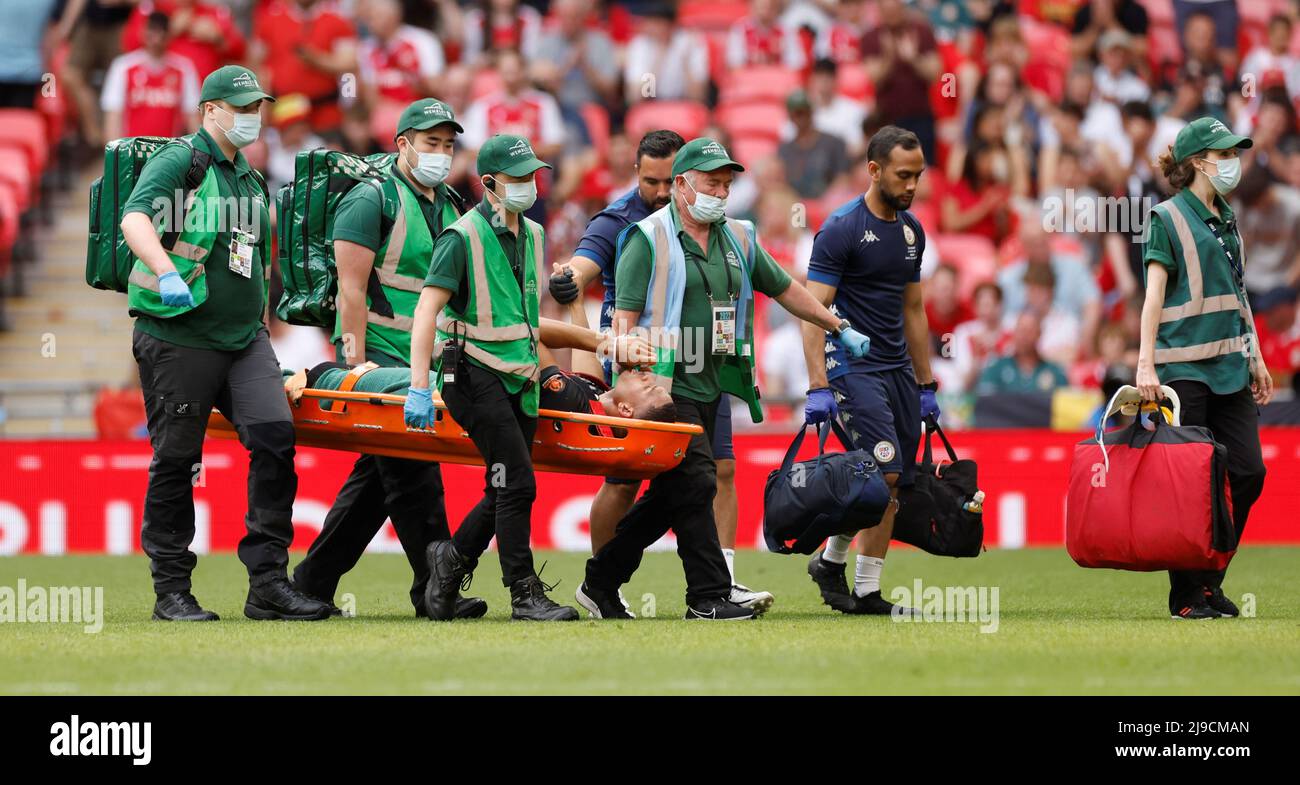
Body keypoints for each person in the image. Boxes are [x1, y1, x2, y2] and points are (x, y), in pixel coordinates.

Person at [575, 137, 871, 621]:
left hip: (715, 379)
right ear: (681, 185)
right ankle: (708, 596)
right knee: (695, 482)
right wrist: (627, 385)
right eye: (711, 182)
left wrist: (836, 325)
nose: (721, 191)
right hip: (664, 385)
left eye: (727, 183)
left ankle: (600, 582)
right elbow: (623, 320)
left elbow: (786, 289)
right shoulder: (645, 238)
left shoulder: (739, 236)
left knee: (677, 492)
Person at [121, 65, 329, 622]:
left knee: (275, 438)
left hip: (243, 341)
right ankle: (172, 591)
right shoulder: (181, 161)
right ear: (210, 110)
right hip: (178, 337)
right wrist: (164, 270)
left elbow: (256, 262)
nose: (252, 118)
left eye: (257, 107)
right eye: (241, 108)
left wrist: (261, 325)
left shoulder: (251, 178)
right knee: (178, 461)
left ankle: (267, 583)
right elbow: (136, 217)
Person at [548, 130, 777, 611]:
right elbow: (583, 267)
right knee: (638, 482)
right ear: (642, 174)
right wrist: (569, 279)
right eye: (651, 180)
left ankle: (625, 584)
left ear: (682, 177)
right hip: (648, 378)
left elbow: (774, 284)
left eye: (667, 179)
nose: (658, 189)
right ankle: (686, 592)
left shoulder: (715, 227)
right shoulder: (620, 222)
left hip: (705, 371)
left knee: (704, 476)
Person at [290, 98, 485, 621]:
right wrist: (353, 364)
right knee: (411, 466)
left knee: (384, 475)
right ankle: (434, 585)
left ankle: (314, 580)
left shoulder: (448, 204)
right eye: (431, 143)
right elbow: (351, 292)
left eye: (448, 145)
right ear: (402, 144)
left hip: (423, 358)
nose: (442, 154)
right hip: (376, 355)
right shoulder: (369, 201)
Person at [405, 134, 580, 622]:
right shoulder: (459, 238)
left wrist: (547, 369)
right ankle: (523, 594)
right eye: (518, 178)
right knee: (519, 483)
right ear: (488, 183)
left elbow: (522, 318)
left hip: (518, 378)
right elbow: (426, 313)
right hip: (471, 374)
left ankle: (450, 560)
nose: (529, 186)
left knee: (502, 485)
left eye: (533, 177)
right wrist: (420, 386)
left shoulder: (535, 234)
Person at [1136, 116, 1271, 620]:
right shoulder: (1165, 217)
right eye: (1224, 152)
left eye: (1234, 151)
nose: (1232, 161)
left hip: (1230, 365)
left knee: (1247, 472)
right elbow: (1153, 296)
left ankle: (1209, 579)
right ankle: (1189, 596)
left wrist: (1254, 353)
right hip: (1180, 368)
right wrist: (1144, 363)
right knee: (1190, 487)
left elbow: (1238, 293)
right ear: (1198, 162)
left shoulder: (1227, 219)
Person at [801, 125, 937, 617]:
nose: (912, 186)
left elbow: (914, 310)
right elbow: (812, 311)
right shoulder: (840, 228)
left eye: (918, 176)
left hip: (897, 369)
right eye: (903, 175)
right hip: (851, 368)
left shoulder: (911, 231)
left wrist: (926, 383)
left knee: (893, 482)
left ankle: (834, 565)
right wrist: (818, 385)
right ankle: (862, 590)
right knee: (886, 471)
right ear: (874, 170)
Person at [101, 10, 201, 141]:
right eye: (152, 31)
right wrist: (116, 155)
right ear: (143, 32)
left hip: (169, 154)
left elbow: (192, 116)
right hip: (131, 153)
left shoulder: (183, 69)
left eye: (161, 32)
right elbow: (113, 116)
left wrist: (201, 154)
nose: (156, 38)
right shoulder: (123, 67)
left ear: (169, 35)